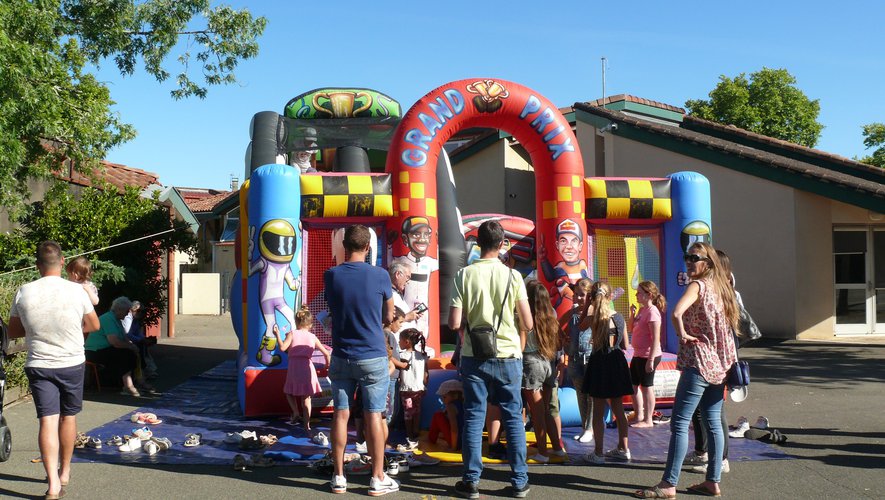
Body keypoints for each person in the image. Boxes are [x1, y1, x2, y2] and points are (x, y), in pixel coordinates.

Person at [635, 242, 740, 499]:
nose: (689, 261)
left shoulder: (699, 285)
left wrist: (682, 333)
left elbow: (676, 312)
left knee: (680, 423)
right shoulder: (722, 288)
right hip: (720, 364)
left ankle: (668, 484)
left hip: (699, 362)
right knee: (714, 422)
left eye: (695, 258)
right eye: (687, 257)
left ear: (708, 262)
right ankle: (712, 480)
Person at [7, 241, 100, 499]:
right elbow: (94, 325)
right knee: (68, 418)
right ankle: (65, 471)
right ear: (62, 262)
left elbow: (14, 332)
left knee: (47, 420)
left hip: (39, 364)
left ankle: (53, 486)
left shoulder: (24, 291)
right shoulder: (77, 291)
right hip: (71, 362)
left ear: (37, 266)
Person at [448, 220, 533, 499]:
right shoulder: (513, 277)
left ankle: (471, 481)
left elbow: (454, 322)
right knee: (512, 416)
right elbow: (529, 323)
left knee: (474, 417)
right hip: (509, 354)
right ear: (502, 244)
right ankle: (519, 481)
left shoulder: (464, 274)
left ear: (478, 244)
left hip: (475, 355)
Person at [324, 224, 399, 496]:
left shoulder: (331, 276)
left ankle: (338, 476)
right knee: (374, 416)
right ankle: (378, 477)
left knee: (341, 414)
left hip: (342, 354)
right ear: (368, 248)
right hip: (372, 354)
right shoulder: (380, 275)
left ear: (344, 247)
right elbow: (389, 316)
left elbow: (333, 309)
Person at [581, 281, 632, 465]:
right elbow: (626, 345)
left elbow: (579, 326)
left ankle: (599, 452)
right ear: (610, 297)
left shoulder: (594, 317)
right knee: (618, 406)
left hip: (600, 362)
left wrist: (587, 305)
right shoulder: (618, 318)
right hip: (616, 361)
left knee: (598, 409)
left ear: (593, 297)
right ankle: (623, 448)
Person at [521, 279, 565, 463]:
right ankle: (557, 447)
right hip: (548, 362)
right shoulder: (551, 314)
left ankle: (542, 452)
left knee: (537, 411)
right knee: (547, 410)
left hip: (531, 362)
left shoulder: (525, 315)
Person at [274, 306, 331, 436]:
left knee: (289, 392)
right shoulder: (312, 337)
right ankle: (307, 425)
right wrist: (327, 365)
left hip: (294, 365)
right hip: (307, 366)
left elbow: (283, 348)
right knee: (306, 399)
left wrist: (277, 334)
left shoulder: (292, 334)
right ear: (310, 324)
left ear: (296, 322)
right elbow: (326, 353)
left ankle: (295, 412)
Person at [84, 296, 156, 397]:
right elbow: (115, 342)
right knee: (125, 354)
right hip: (94, 351)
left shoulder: (116, 319)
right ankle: (128, 386)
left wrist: (132, 346)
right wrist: (130, 347)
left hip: (105, 349)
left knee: (135, 351)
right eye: (127, 311)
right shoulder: (108, 319)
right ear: (119, 310)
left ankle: (139, 381)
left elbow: (124, 337)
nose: (128, 313)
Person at [629, 280, 667, 428]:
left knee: (646, 386)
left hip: (648, 355)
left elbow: (655, 337)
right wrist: (632, 315)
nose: (636, 295)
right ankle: (639, 414)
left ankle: (648, 419)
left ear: (648, 295)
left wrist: (651, 359)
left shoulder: (652, 312)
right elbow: (631, 328)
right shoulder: (642, 310)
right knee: (632, 385)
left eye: (639, 293)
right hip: (638, 354)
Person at [561, 277, 594, 443]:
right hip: (574, 358)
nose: (578, 298)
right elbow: (558, 324)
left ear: (590, 296)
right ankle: (584, 427)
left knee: (591, 395)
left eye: (582, 295)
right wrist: (564, 339)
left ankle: (590, 428)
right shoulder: (574, 311)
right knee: (581, 394)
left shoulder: (594, 311)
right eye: (576, 294)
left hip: (589, 358)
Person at [398, 328, 429, 449]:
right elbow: (426, 374)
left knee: (408, 413)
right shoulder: (422, 356)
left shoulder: (402, 355)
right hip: (419, 388)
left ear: (407, 342)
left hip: (406, 389)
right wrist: (425, 385)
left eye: (400, 340)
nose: (399, 342)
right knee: (417, 411)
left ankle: (409, 435)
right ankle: (415, 433)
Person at [428, 379, 464, 451]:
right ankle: (434, 437)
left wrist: (454, 448)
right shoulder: (463, 403)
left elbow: (454, 429)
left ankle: (432, 438)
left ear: (455, 395)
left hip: (457, 443)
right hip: (466, 441)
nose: (442, 399)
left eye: (444, 397)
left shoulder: (451, 406)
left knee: (438, 415)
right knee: (442, 415)